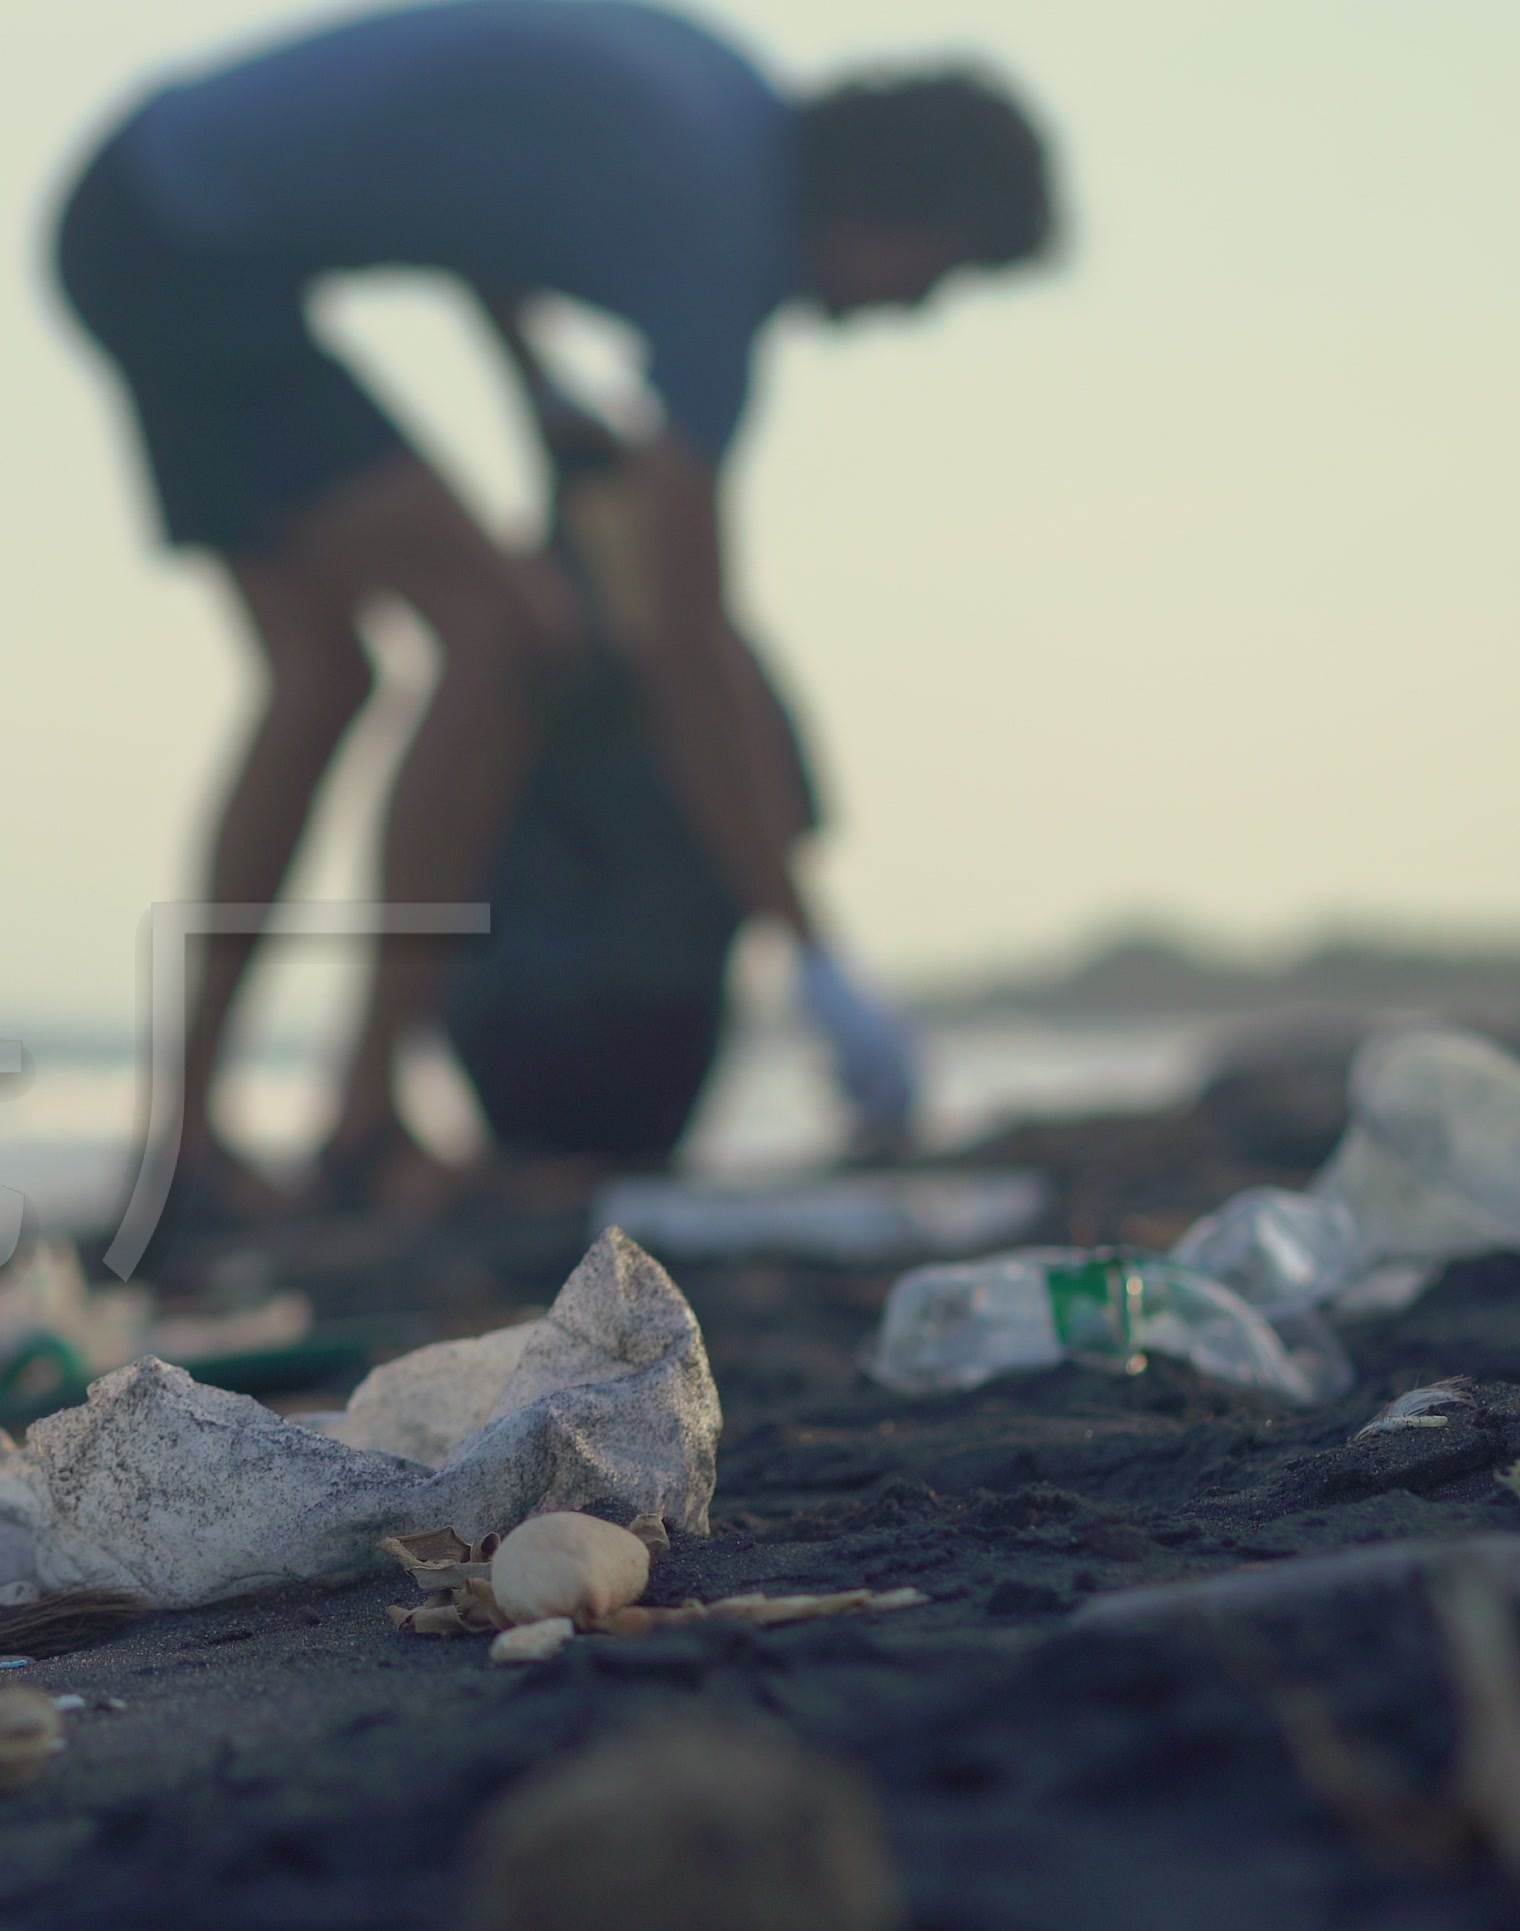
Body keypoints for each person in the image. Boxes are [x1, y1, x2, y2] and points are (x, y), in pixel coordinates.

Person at [55, 0, 1054, 1214]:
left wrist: (533, 388)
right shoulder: (719, 251)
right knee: (508, 636)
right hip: (185, 245)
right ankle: (362, 1121)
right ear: (897, 208)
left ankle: (189, 1147)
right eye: (935, 277)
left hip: (148, 201)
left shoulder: (723, 109)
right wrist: (817, 958)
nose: (909, 313)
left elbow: (479, 190)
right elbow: (684, 641)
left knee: (324, 678)